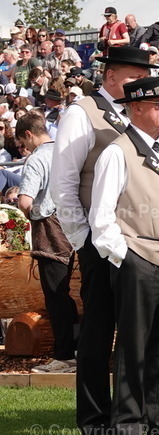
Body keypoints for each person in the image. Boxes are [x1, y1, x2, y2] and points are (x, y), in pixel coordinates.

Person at [88, 77, 159, 435]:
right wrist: (127, 258)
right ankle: (128, 426)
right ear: (136, 107)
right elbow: (101, 217)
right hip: (140, 261)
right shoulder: (117, 153)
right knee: (134, 347)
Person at [52, 45, 153, 435]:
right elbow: (64, 181)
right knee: (97, 329)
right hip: (100, 241)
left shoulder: (136, 113)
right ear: (110, 76)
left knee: (134, 330)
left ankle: (131, 415)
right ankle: (93, 419)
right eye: (133, 77)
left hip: (138, 241)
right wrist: (83, 238)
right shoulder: (83, 112)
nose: (140, 83)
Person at [16, 113, 78, 373]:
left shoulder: (37, 158)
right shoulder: (67, 153)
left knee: (56, 296)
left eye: (22, 143)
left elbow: (24, 202)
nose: (24, 148)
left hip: (51, 234)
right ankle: (76, 350)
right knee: (65, 295)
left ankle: (66, 356)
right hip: (76, 229)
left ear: (28, 134)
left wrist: (33, 213)